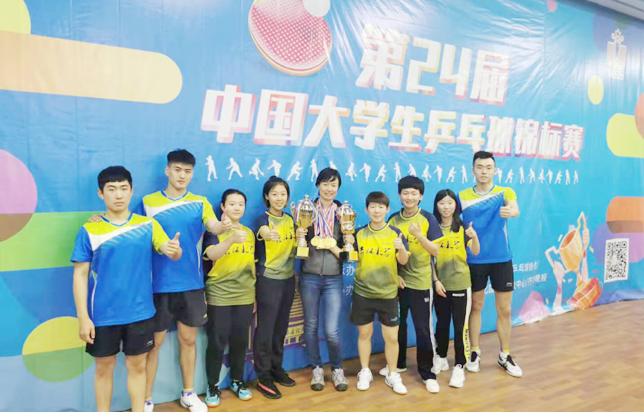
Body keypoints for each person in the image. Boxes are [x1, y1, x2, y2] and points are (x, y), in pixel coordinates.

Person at [71, 166, 182, 412]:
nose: (118, 195)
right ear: (101, 194)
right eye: (111, 189)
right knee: (103, 369)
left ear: (132, 191)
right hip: (103, 316)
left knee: (137, 367)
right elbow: (80, 275)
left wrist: (174, 250)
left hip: (140, 313)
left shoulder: (148, 225)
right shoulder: (89, 230)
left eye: (123, 188)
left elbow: (170, 251)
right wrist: (83, 318)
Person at [138, 150, 227, 412]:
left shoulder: (200, 203)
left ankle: (188, 393)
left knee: (188, 341)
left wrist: (222, 227)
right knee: (153, 345)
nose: (182, 175)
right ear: (167, 171)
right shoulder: (148, 202)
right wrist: (101, 219)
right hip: (157, 286)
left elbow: (213, 225)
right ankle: (145, 399)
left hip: (191, 285)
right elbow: (130, 226)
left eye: (187, 171)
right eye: (177, 170)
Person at [459, 151, 522, 377]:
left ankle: (505, 355)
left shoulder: (505, 192)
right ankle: (474, 352)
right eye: (480, 167)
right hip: (474, 260)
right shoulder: (462, 196)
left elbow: (515, 208)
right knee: (475, 307)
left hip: (501, 259)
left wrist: (511, 211)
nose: (484, 171)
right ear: (473, 170)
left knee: (504, 310)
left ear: (495, 171)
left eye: (488, 167)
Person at [385, 176, 443, 393]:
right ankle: (399, 363)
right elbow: (389, 253)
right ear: (400, 195)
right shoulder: (393, 219)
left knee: (423, 328)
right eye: (405, 193)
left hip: (421, 282)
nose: (409, 197)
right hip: (399, 283)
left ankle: (428, 373)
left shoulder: (428, 218)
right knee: (397, 325)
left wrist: (418, 235)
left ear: (420, 196)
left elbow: (436, 251)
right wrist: (395, 275)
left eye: (413, 193)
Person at [202, 190, 256, 407]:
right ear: (223, 207)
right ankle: (212, 385)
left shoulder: (249, 233)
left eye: (241, 204)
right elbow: (211, 255)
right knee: (217, 342)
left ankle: (237, 381)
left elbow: (252, 264)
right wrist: (232, 239)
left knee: (240, 341)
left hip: (245, 295)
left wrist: (254, 294)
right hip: (219, 294)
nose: (237, 208)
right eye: (232, 204)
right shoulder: (214, 231)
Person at [353, 192, 410, 395]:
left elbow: (403, 261)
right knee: (364, 335)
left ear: (387, 209)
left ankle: (392, 374)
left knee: (392, 338)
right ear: (366, 209)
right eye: (373, 207)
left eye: (380, 207)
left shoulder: (396, 233)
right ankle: (365, 371)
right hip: (363, 293)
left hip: (388, 294)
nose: (376, 211)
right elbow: (349, 256)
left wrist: (400, 248)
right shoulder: (358, 233)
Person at [299, 168, 350, 391]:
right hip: (309, 276)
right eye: (325, 184)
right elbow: (298, 243)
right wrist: (300, 234)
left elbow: (348, 253)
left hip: (333, 278)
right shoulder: (306, 209)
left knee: (331, 330)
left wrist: (336, 246)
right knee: (310, 327)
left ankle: (337, 369)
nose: (329, 189)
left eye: (333, 185)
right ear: (318, 185)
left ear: (338, 188)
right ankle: (317, 369)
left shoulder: (344, 213)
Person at [253, 177, 297, 399]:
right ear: (267, 196)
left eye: (283, 194)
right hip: (268, 280)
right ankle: (263, 376)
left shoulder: (290, 219)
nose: (279, 198)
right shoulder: (262, 218)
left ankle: (276, 368)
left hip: (288, 279)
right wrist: (268, 234)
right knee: (266, 328)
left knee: (281, 327)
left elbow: (298, 244)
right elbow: (263, 231)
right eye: (275, 194)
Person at [432, 189, 480, 389]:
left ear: (456, 206)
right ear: (436, 206)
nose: (446, 207)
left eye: (450, 203)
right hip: (440, 285)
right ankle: (441, 357)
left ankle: (459, 365)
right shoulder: (432, 228)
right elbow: (429, 259)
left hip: (460, 284)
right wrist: (436, 280)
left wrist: (474, 237)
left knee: (460, 327)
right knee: (442, 324)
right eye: (442, 203)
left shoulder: (462, 227)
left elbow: (475, 251)